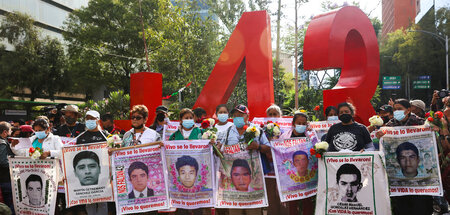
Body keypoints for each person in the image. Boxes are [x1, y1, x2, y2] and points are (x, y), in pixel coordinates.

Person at [213, 104, 270, 215]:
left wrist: (257, 146)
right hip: (234, 185)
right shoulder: (228, 131)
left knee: (253, 211)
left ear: (247, 116)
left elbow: (268, 148)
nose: (237, 118)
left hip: (253, 180)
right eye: (235, 116)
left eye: (240, 115)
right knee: (235, 211)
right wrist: (217, 148)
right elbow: (221, 152)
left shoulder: (256, 130)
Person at [378, 98, 432, 215]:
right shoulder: (390, 125)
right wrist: (380, 136)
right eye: (394, 109)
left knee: (421, 207)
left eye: (399, 109)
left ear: (408, 110)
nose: (396, 111)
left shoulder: (421, 123)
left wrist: (435, 130)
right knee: (402, 207)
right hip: (399, 183)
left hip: (421, 187)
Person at [280, 112, 317, 215]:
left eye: (303, 123)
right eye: (299, 123)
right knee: (292, 204)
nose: (301, 125)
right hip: (291, 177)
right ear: (293, 124)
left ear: (307, 124)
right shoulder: (285, 136)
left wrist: (312, 133)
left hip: (307, 176)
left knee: (308, 202)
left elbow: (317, 148)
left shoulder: (310, 135)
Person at [0, 122, 15, 214]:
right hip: (5, 179)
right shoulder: (2, 143)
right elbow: (3, 161)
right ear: (5, 132)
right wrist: (16, 165)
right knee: (9, 204)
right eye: (10, 131)